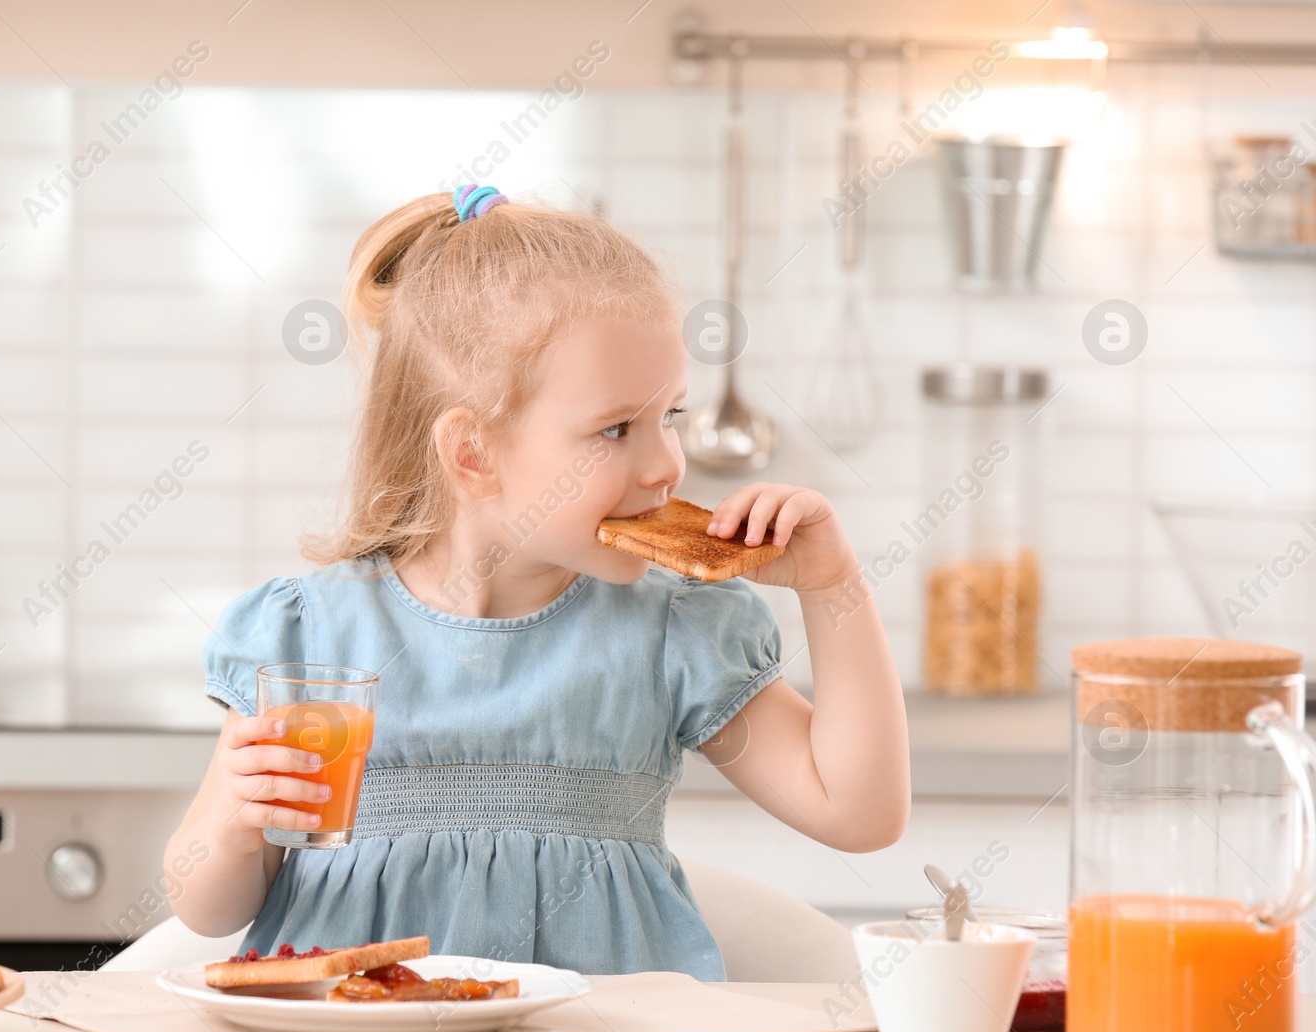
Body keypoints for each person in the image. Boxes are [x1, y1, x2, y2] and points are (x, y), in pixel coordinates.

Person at [164, 184, 909, 979]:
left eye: (672, 417)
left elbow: (859, 811)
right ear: (474, 453)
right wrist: (231, 824)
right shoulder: (312, 636)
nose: (667, 464)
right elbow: (205, 906)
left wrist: (831, 582)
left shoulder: (668, 629)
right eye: (617, 429)